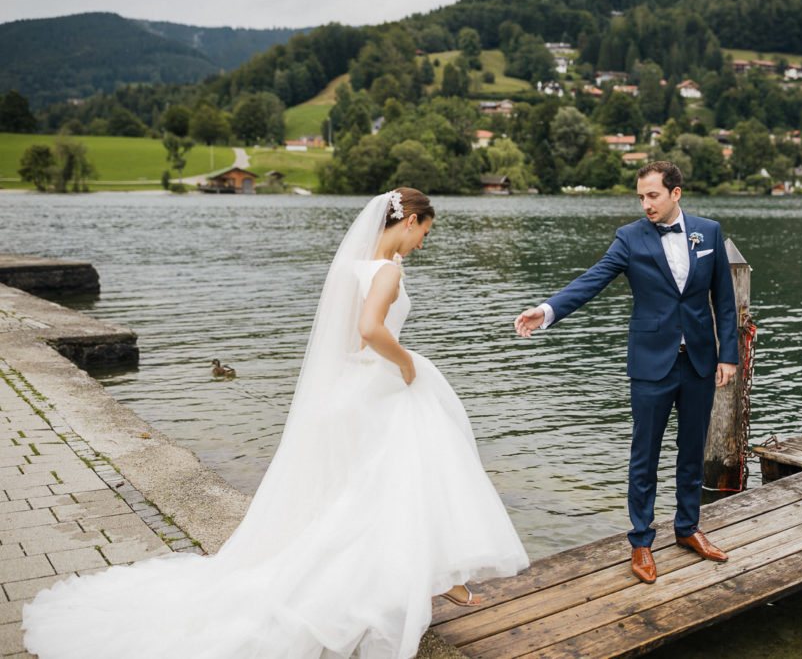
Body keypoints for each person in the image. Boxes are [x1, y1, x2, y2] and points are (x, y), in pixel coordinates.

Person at [23, 189, 528, 658]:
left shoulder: (354, 265)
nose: (423, 243)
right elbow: (370, 330)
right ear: (411, 220)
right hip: (378, 384)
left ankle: (425, 575)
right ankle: (418, 578)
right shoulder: (387, 273)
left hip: (346, 391)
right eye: (425, 233)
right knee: (405, 476)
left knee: (363, 488)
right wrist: (406, 364)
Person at [514, 162, 737, 584]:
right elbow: (592, 280)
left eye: (653, 195)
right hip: (651, 364)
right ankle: (641, 542)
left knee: (692, 452)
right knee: (644, 456)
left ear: (676, 193)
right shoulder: (629, 238)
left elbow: (724, 300)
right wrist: (547, 311)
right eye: (641, 197)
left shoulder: (708, 232)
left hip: (700, 363)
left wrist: (729, 356)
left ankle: (688, 528)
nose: (645, 204)